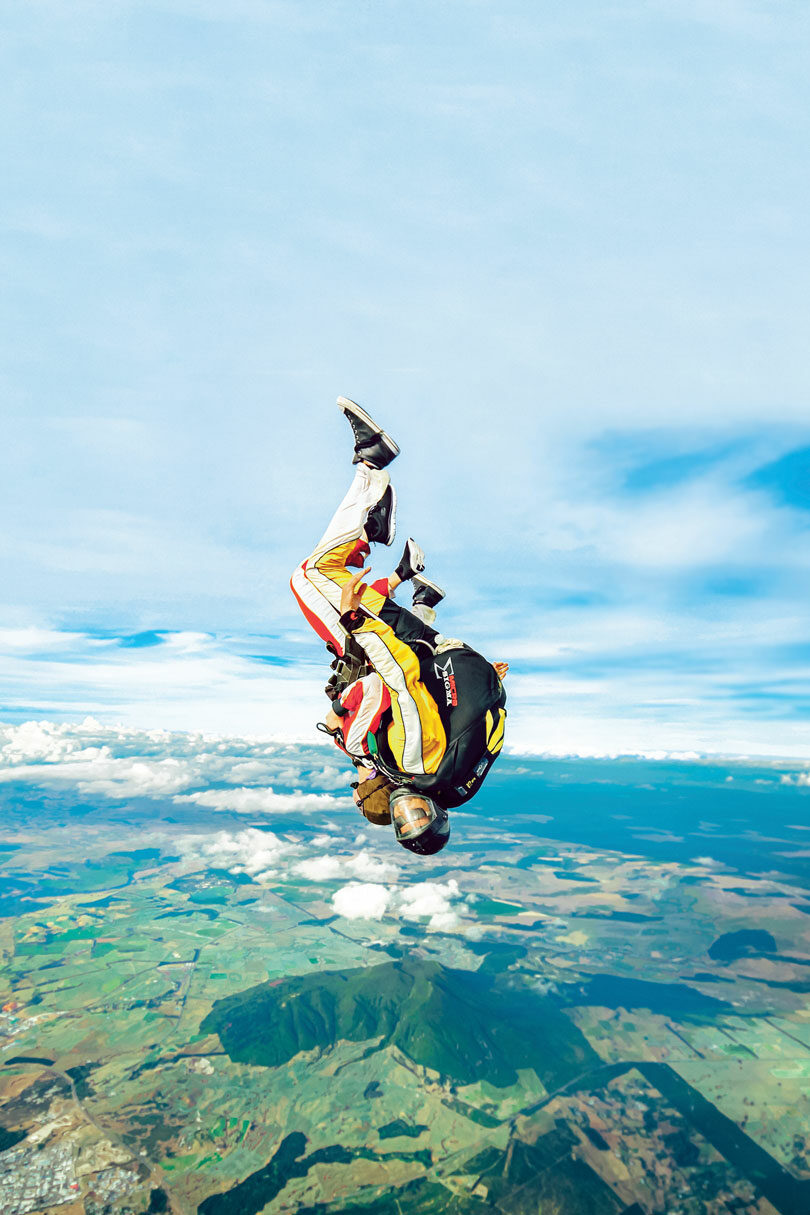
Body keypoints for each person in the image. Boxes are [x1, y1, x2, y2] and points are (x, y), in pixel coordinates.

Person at [291, 397, 508, 855]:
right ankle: (373, 467)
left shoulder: (455, 782)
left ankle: (385, 542)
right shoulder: (417, 764)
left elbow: (464, 717)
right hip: (417, 652)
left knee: (332, 586)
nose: (409, 810)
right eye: (419, 817)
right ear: (438, 812)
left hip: (439, 654)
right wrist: (355, 621)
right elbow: (404, 679)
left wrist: (482, 677)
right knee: (312, 577)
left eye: (402, 820)